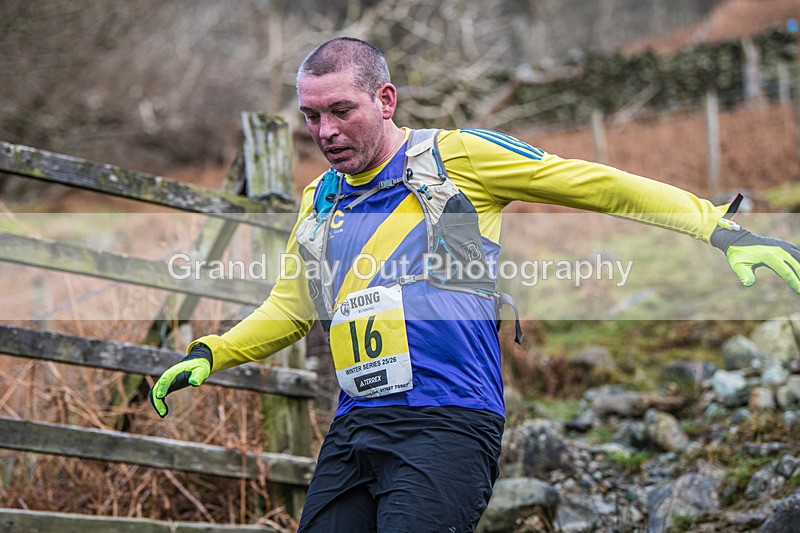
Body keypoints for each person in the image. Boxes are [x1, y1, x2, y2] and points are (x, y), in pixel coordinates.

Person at [150, 37, 800, 532]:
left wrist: (717, 227)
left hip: (448, 421)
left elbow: (597, 183)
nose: (325, 133)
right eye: (311, 116)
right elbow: (289, 309)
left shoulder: (457, 159)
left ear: (385, 100)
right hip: (354, 431)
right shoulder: (317, 201)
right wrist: (213, 352)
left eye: (340, 111)